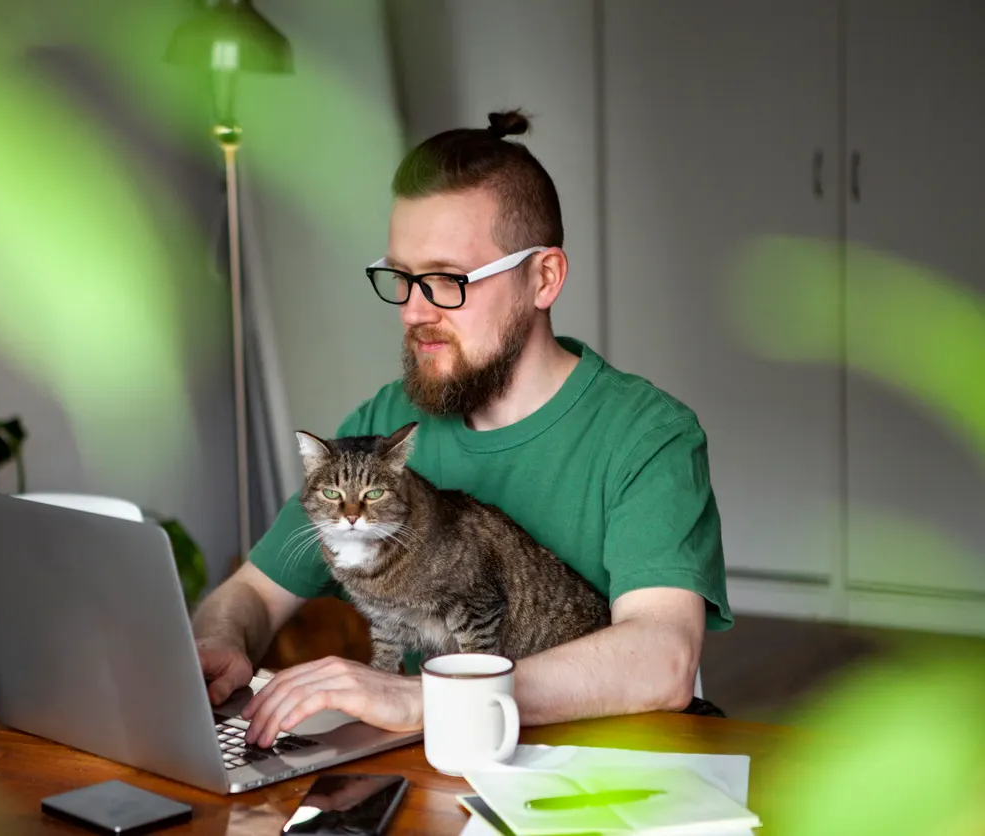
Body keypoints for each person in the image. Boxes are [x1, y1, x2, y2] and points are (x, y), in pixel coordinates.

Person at [191, 110, 732, 749]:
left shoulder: (649, 435)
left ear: (544, 278)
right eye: (401, 277)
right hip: (437, 767)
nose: (415, 311)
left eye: (448, 280)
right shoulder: (377, 427)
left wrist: (427, 697)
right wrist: (221, 642)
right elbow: (251, 593)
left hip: (593, 775)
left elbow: (661, 659)